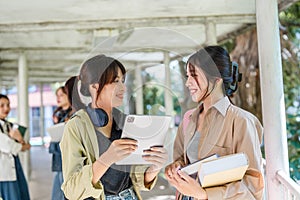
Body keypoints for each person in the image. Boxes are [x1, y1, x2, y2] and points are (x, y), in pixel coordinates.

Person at [60, 54, 168, 200]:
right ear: (94, 86)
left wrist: (155, 167)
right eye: (116, 81)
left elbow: (137, 180)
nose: (123, 87)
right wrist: (107, 159)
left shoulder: (125, 122)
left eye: (123, 81)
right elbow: (72, 190)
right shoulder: (76, 126)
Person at [165, 46, 264, 199]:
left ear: (217, 80)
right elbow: (182, 160)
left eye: (194, 75)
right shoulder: (189, 119)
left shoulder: (241, 121)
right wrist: (176, 167)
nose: (188, 83)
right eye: (187, 76)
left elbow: (253, 185)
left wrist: (205, 194)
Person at [0, 94, 31, 200]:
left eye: (8, 105)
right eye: (2, 105)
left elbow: (26, 145)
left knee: (21, 194)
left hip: (14, 164)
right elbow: (9, 146)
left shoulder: (9, 125)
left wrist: (20, 140)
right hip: (3, 171)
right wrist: (20, 142)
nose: (6, 108)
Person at [49, 86, 73, 200]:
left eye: (61, 95)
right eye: (57, 95)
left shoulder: (74, 115)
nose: (58, 98)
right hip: (59, 158)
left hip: (68, 159)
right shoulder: (59, 115)